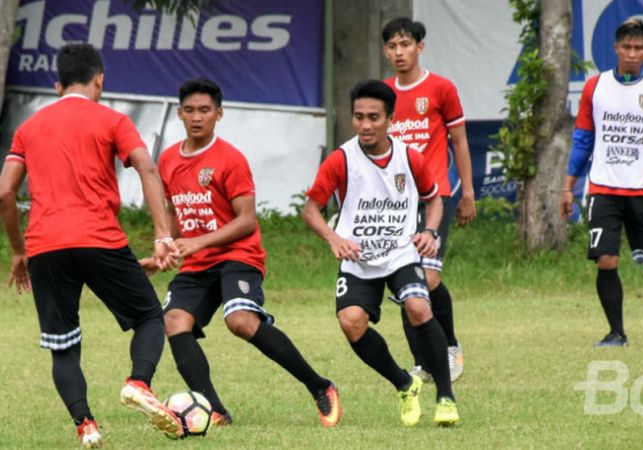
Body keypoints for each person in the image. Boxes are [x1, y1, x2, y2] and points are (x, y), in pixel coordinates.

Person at [0, 43, 182, 447]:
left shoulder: (28, 127)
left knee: (63, 343)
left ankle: (87, 426)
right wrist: (162, 234)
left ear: (57, 84)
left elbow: (5, 194)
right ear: (99, 79)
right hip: (98, 238)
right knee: (150, 316)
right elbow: (147, 168)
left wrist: (18, 251)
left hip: (45, 246)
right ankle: (138, 382)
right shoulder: (113, 119)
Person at [140, 78, 341, 428]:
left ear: (219, 114)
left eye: (204, 110)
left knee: (240, 320)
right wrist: (165, 251)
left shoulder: (230, 159)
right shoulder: (169, 159)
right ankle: (215, 411)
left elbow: (247, 221)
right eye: (189, 110)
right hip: (198, 264)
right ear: (179, 113)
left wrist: (198, 242)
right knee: (173, 322)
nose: (196, 117)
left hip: (238, 256)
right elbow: (175, 215)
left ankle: (320, 386)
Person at [302, 79, 459, 426]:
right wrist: (333, 238)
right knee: (351, 322)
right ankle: (405, 384)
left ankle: (446, 397)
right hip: (358, 258)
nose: (366, 125)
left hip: (400, 253)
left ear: (390, 118)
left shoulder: (409, 158)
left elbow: (433, 198)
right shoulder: (341, 160)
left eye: (374, 117)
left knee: (419, 307)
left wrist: (430, 232)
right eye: (359, 117)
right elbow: (310, 209)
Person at [560, 19, 643, 347]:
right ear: (615, 48)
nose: (632, 54)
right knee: (606, 259)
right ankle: (616, 332)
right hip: (603, 189)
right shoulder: (595, 87)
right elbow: (583, 139)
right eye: (626, 47)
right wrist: (568, 186)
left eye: (638, 48)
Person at [381, 17, 474, 382]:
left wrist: (467, 192)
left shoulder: (441, 88)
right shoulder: (384, 94)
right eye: (392, 46)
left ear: (420, 46)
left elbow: (460, 141)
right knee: (407, 284)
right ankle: (422, 363)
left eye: (405, 44)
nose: (399, 52)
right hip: (396, 204)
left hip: (436, 196)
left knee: (430, 279)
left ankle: (449, 346)